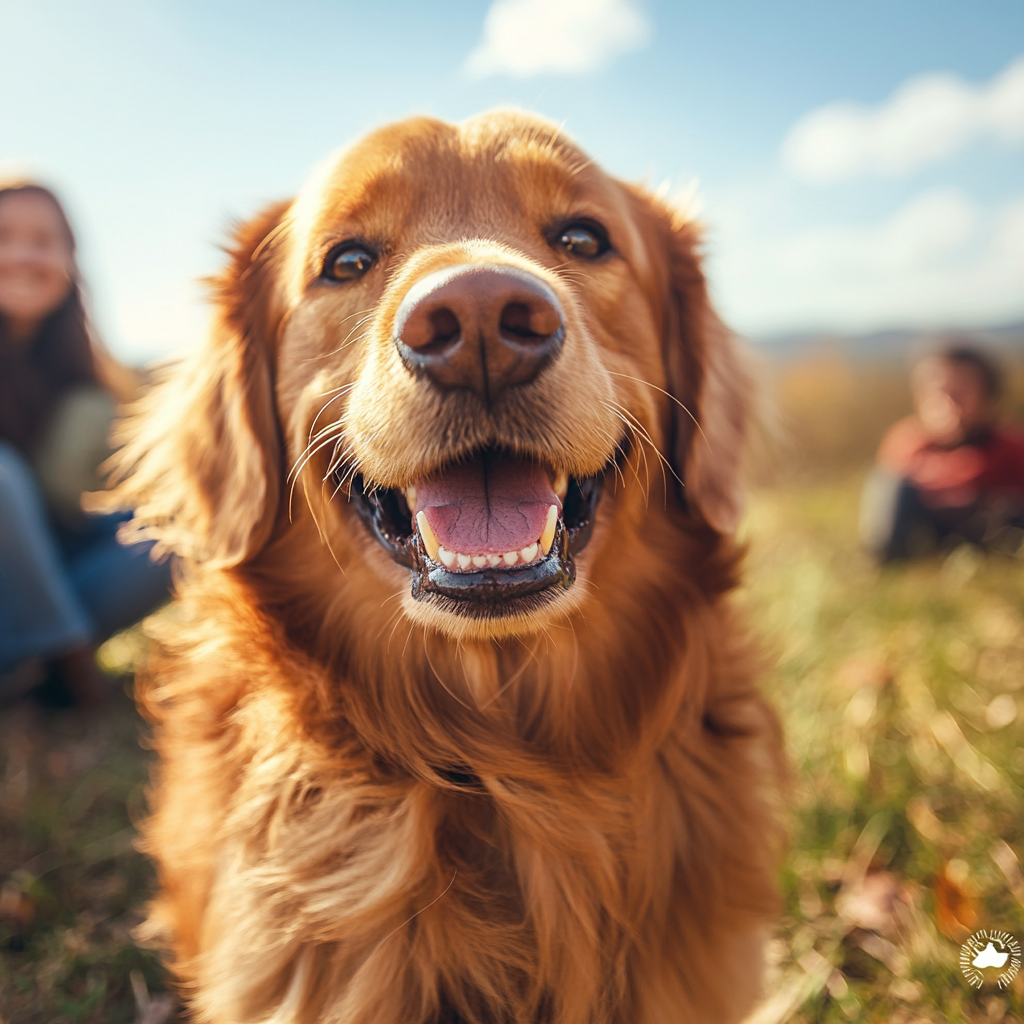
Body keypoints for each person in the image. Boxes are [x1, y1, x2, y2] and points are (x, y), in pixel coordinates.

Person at [0, 178, 172, 704]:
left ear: (70, 261)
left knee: (177, 530)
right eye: (3, 236)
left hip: (47, 578)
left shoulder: (87, 380)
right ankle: (69, 668)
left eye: (44, 241)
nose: (24, 255)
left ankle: (35, 663)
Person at [860, 345, 1024, 563]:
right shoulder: (908, 442)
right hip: (927, 535)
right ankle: (882, 561)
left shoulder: (1012, 445)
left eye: (958, 394)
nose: (946, 404)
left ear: (987, 396)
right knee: (889, 483)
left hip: (995, 533)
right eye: (936, 393)